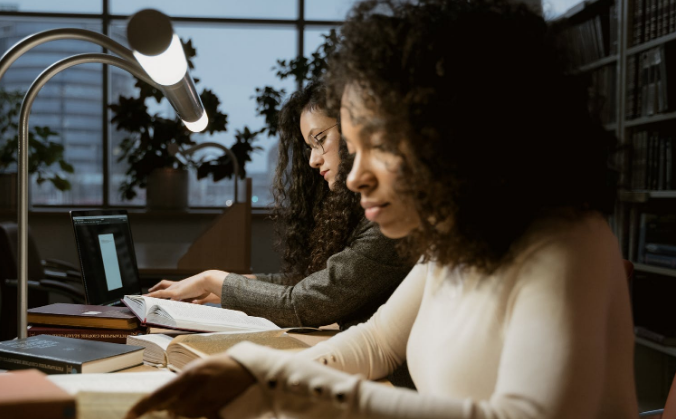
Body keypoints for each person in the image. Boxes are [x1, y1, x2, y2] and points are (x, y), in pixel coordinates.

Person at [128, 0, 639, 418]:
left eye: (378, 143)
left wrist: (275, 383)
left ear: (459, 127)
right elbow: (375, 343)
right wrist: (251, 369)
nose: (354, 175)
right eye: (352, 146)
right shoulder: (450, 241)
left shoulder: (567, 241)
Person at [146, 81, 411, 330]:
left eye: (320, 139)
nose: (313, 160)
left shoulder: (390, 224)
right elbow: (310, 284)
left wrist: (213, 280)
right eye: (310, 147)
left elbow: (305, 303)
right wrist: (224, 284)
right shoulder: (369, 215)